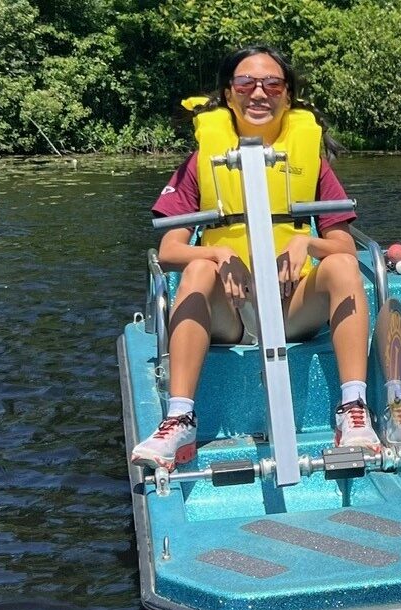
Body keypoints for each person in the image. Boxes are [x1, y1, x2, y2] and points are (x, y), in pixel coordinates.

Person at [131, 45, 381, 470]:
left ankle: (353, 410)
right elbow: (169, 249)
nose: (259, 93)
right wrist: (217, 251)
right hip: (228, 316)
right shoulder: (200, 162)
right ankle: (180, 418)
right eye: (245, 83)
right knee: (196, 267)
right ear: (228, 94)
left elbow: (344, 247)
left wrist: (309, 244)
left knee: (338, 265)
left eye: (273, 84)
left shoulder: (312, 160)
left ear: (288, 94)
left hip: (291, 309)